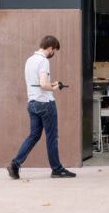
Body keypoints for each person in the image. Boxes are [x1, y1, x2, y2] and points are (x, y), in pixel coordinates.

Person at [7, 35, 76, 179]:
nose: (53, 53)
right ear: (50, 48)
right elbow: (44, 84)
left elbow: (37, 83)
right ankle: (57, 169)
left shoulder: (30, 60)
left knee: (34, 135)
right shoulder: (43, 61)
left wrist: (51, 84)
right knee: (51, 137)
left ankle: (15, 164)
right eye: (54, 50)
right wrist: (55, 87)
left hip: (32, 103)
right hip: (45, 104)